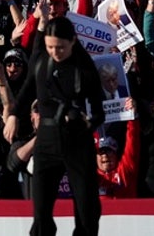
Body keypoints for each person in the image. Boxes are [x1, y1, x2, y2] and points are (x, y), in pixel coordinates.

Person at [8, 16, 104, 236]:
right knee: (41, 212)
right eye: (50, 46)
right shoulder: (42, 61)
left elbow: (98, 112)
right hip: (47, 140)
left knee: (86, 208)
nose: (55, 52)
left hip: (77, 141)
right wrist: (14, 114)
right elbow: (26, 91)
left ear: (73, 41)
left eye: (60, 47)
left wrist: (84, 121)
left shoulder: (85, 68)